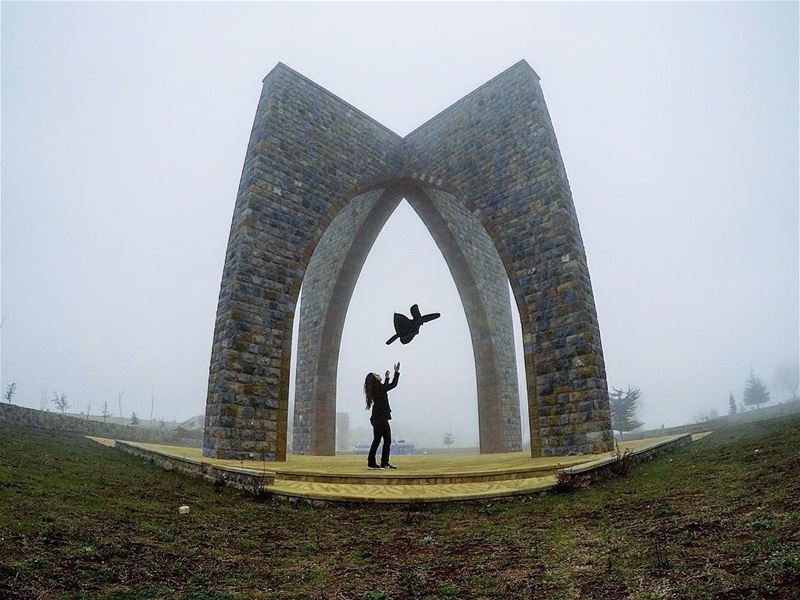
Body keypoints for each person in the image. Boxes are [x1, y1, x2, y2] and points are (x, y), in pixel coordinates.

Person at [364, 362, 400, 469]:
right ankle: (384, 463)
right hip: (380, 418)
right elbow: (392, 385)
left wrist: (387, 378)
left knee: (377, 440)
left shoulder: (377, 389)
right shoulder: (378, 389)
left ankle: (372, 463)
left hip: (376, 418)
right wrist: (396, 372)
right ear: (375, 379)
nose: (378, 374)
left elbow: (385, 387)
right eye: (376, 375)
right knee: (387, 440)